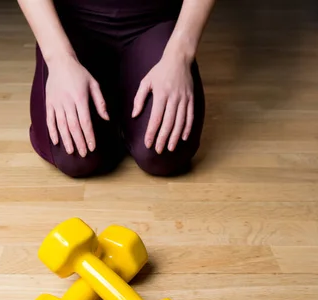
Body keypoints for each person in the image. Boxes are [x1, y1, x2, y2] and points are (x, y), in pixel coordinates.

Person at [17, 0, 215, 177]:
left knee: (163, 152)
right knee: (75, 155)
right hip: (71, 27)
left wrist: (180, 55)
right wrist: (59, 59)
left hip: (157, 22)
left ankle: (123, 96)